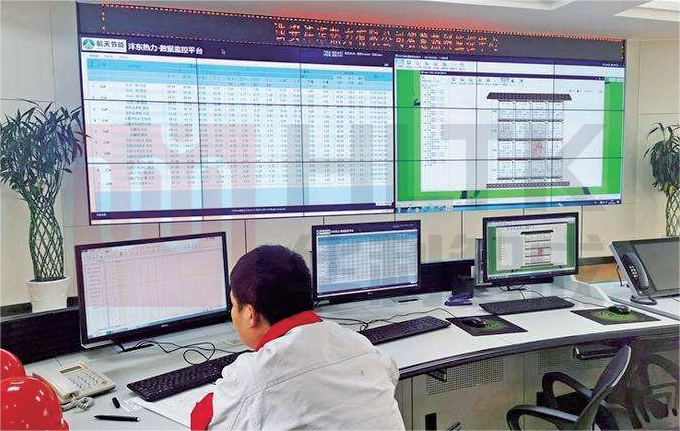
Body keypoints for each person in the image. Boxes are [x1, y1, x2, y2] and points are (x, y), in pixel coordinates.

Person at [191, 245, 406, 431]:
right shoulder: (360, 344)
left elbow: (202, 421)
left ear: (250, 314)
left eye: (233, 304)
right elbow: (390, 373)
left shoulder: (252, 374)